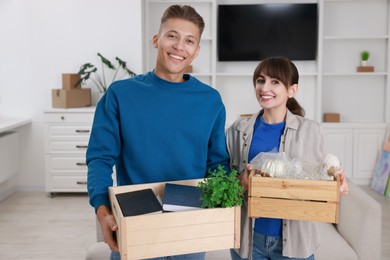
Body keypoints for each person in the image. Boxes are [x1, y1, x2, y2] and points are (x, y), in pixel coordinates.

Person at [86, 5, 229, 260]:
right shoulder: (120, 94)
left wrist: (221, 209)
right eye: (172, 36)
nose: (179, 46)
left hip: (189, 230)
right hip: (135, 224)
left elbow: (217, 163)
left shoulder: (210, 101)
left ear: (196, 52)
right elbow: (100, 157)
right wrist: (103, 211)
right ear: (156, 40)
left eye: (189, 41)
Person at [226, 56, 349, 260]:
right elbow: (223, 179)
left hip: (296, 240)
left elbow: (321, 177)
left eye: (275, 82)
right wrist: (242, 182)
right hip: (248, 238)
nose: (265, 87)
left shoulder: (311, 130)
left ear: (292, 90)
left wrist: (337, 184)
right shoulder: (238, 130)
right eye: (260, 80)